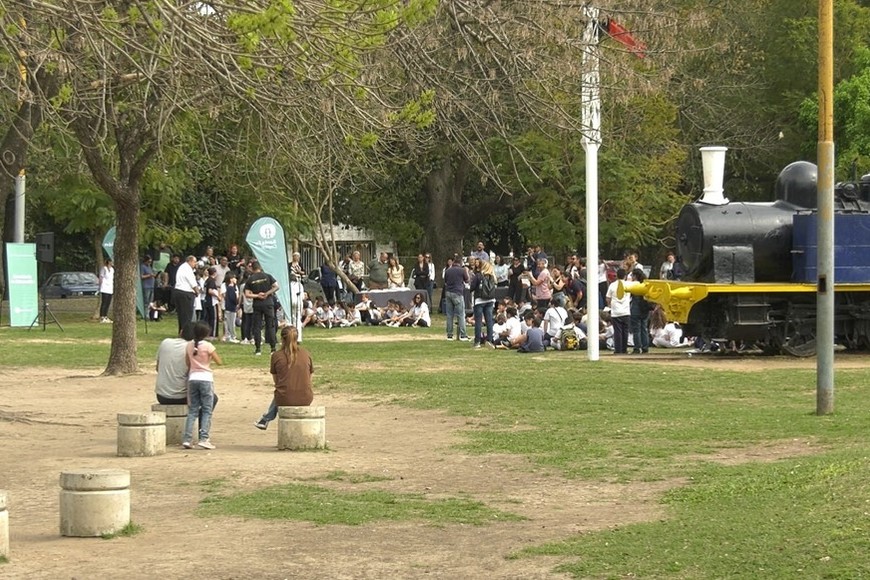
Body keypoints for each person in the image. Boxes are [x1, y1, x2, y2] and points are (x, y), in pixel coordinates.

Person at [155, 322, 219, 424]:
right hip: (181, 397)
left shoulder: (165, 342)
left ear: (181, 332)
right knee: (211, 397)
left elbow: (157, 368)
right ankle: (200, 427)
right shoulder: (192, 349)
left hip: (162, 395)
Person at [254, 326, 314, 430]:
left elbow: (277, 381)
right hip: (306, 398)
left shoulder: (277, 356)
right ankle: (265, 418)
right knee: (286, 390)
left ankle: (266, 418)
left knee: (282, 391)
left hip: (284, 398)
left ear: (281, 339)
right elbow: (309, 377)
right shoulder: (306, 354)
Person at [182, 321, 222, 450]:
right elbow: (219, 361)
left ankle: (187, 439)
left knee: (193, 409)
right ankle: (204, 438)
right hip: (205, 378)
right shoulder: (208, 346)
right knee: (206, 409)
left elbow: (188, 362)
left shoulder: (189, 345)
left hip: (193, 378)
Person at [245, 260, 279, 356]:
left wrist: (257, 296)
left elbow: (247, 294)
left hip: (257, 305)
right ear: (260, 267)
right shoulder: (267, 276)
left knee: (257, 327)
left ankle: (258, 349)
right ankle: (273, 348)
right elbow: (276, 286)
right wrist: (267, 293)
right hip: (268, 303)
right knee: (271, 325)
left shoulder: (250, 279)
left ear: (252, 268)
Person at [470, 259, 497, 348]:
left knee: (478, 321)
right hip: (490, 300)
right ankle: (489, 340)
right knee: (489, 320)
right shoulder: (493, 276)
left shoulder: (478, 276)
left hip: (479, 300)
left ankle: (477, 341)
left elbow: (472, 287)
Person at [443, 255, 470, 341]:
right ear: (460, 262)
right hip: (457, 293)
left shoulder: (448, 271)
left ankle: (449, 335)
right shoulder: (462, 270)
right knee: (461, 314)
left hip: (448, 293)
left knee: (449, 315)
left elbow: (446, 281)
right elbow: (467, 280)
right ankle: (463, 335)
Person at [605, 268, 631, 354]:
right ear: (625, 276)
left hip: (616, 311)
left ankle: (618, 349)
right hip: (626, 310)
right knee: (625, 331)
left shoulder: (612, 285)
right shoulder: (628, 285)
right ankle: (624, 349)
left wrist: (610, 305)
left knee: (618, 331)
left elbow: (608, 298)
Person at [173, 255, 199, 332]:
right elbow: (192, 282)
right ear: (190, 261)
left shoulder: (181, 267)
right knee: (187, 315)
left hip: (178, 291)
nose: (195, 264)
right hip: (186, 293)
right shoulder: (187, 269)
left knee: (181, 314)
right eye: (194, 262)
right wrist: (196, 291)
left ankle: (181, 331)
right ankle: (186, 332)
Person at [629, 268, 651, 354]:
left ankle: (637, 347)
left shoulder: (635, 285)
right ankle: (645, 347)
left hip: (636, 308)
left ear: (635, 276)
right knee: (644, 328)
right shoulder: (646, 284)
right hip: (645, 308)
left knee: (636, 329)